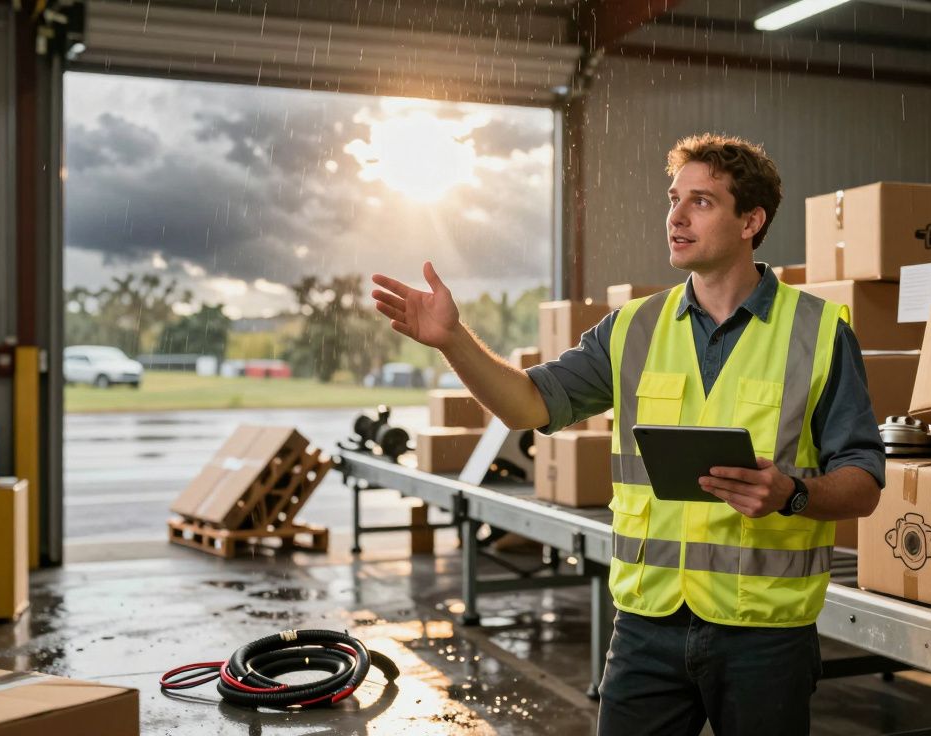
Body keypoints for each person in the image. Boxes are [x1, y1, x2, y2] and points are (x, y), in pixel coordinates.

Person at [371, 133, 885, 735]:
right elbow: (526, 406)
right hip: (647, 626)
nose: (676, 216)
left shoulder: (818, 332)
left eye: (701, 201)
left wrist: (792, 494)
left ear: (752, 221)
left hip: (765, 636)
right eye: (673, 199)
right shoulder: (633, 328)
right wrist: (453, 341)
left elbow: (863, 483)